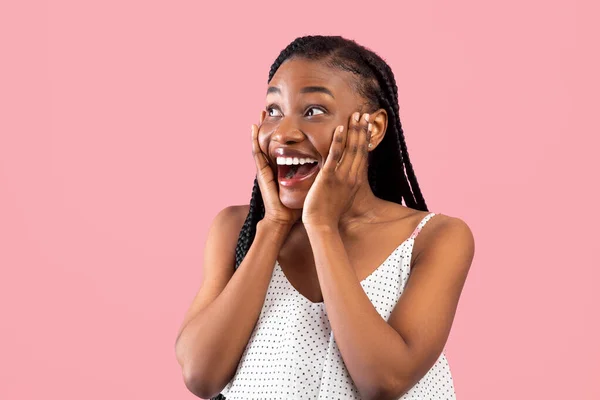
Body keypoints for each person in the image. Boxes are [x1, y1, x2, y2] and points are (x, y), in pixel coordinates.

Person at [175, 35, 475, 400]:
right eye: (273, 111)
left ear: (373, 129)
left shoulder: (435, 237)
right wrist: (273, 227)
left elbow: (384, 380)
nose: (283, 133)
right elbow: (200, 375)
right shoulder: (235, 229)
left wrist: (321, 226)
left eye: (313, 111)